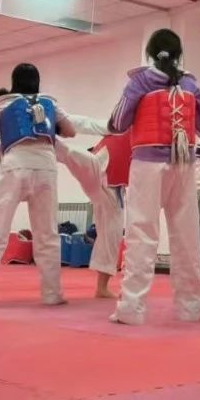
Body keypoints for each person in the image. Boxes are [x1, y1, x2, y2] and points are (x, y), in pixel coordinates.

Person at [0, 65, 80, 308]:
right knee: (47, 233)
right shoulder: (50, 102)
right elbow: (71, 132)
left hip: (16, 165)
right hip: (46, 167)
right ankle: (52, 293)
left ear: (13, 81)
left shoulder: (3, 103)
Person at [108, 28, 200, 326]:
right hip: (184, 164)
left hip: (147, 164)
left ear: (150, 54)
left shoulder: (140, 81)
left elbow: (118, 122)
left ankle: (131, 307)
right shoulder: (191, 83)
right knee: (187, 236)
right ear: (179, 54)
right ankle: (191, 307)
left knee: (141, 233)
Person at [59, 125, 130, 299]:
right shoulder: (122, 126)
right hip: (103, 173)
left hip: (107, 181)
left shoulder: (125, 128)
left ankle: (102, 287)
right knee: (111, 234)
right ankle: (102, 287)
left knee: (110, 234)